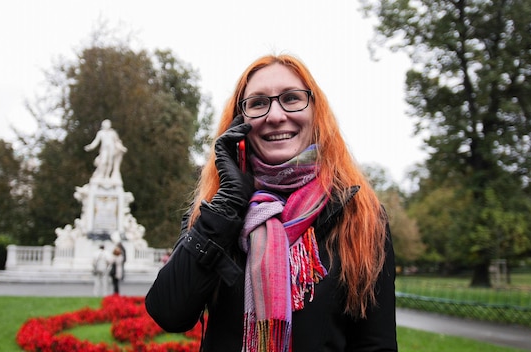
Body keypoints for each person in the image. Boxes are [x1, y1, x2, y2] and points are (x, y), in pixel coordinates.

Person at [145, 54, 398, 351]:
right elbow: (169, 312)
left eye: (291, 98)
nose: (276, 116)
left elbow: (375, 344)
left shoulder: (360, 214)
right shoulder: (214, 209)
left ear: (316, 113)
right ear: (239, 122)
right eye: (258, 103)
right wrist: (228, 203)